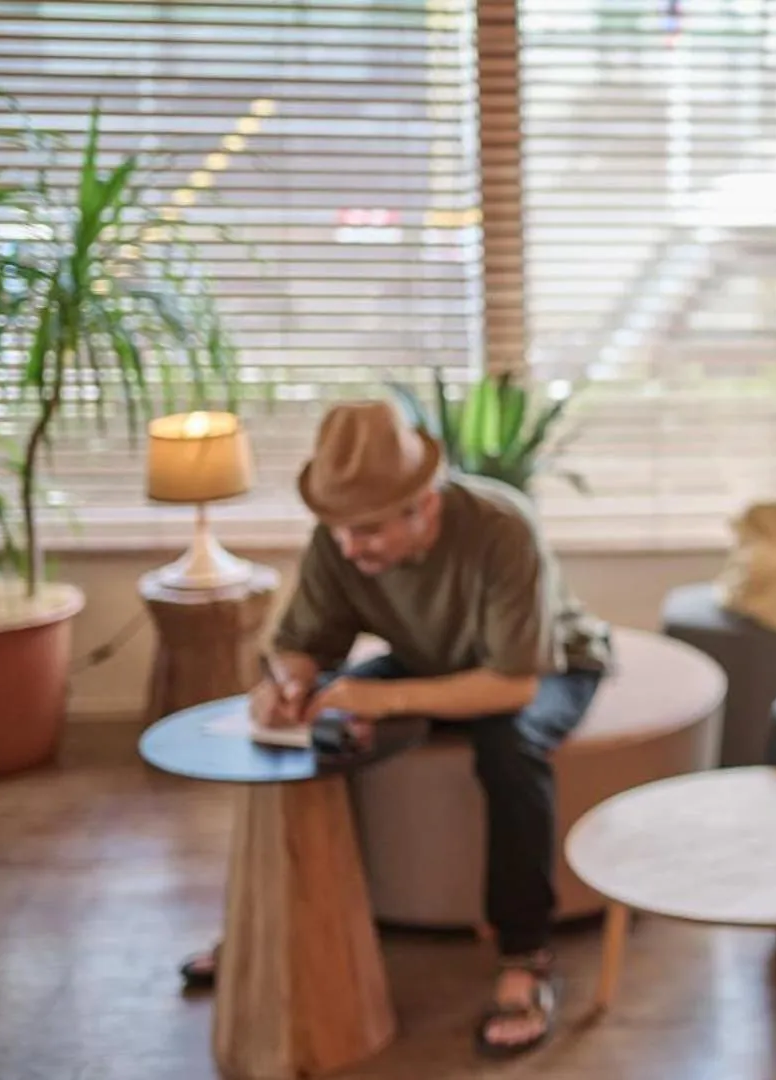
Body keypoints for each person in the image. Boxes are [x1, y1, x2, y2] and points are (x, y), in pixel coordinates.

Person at [176, 400, 613, 1059]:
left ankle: (525, 957)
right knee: (313, 735)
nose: (352, 548)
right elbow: (306, 642)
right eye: (341, 531)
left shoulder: (501, 527)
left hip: (544, 666)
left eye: (370, 531)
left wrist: (376, 698)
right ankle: (265, 929)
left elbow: (513, 683)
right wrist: (289, 684)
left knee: (510, 748)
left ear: (425, 504)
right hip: (427, 659)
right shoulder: (341, 538)